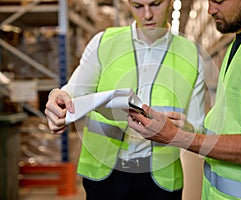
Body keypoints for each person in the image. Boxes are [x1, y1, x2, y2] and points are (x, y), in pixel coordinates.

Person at [127, 0, 241, 199]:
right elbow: (230, 124)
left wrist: (175, 136)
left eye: (218, 1)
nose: (210, 9)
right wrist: (185, 128)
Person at [44, 0, 206, 199]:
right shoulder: (104, 42)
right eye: (138, 6)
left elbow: (198, 129)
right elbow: (73, 92)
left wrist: (180, 130)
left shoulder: (191, 55)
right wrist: (58, 97)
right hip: (104, 175)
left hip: (160, 179)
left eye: (155, 4)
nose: (147, 15)